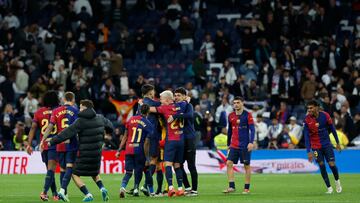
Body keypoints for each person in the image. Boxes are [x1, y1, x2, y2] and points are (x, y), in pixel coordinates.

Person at [47, 100, 113, 202]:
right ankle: (102, 188)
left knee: (73, 173)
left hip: (84, 153)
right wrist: (107, 133)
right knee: (94, 172)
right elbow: (110, 126)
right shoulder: (100, 118)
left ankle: (87, 194)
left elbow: (66, 133)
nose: (79, 109)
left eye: (81, 107)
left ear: (85, 108)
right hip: (97, 153)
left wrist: (52, 141)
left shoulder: (80, 121)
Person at [145, 90, 187, 197]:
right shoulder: (181, 106)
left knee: (167, 164)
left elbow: (150, 109)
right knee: (177, 165)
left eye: (162, 99)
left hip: (171, 140)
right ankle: (181, 189)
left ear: (168, 100)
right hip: (181, 141)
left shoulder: (165, 108)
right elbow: (186, 103)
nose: (160, 101)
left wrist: (143, 104)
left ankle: (171, 188)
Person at [41, 92, 79, 201]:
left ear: (64, 99)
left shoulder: (56, 111)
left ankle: (63, 193)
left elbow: (49, 127)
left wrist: (43, 140)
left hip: (59, 143)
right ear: (73, 99)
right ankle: (63, 191)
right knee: (69, 167)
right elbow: (78, 127)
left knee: (62, 168)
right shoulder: (75, 110)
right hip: (71, 143)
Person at [26, 91, 60, 201]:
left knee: (50, 170)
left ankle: (55, 194)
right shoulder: (60, 111)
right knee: (51, 170)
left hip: (43, 145)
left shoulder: (39, 112)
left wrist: (29, 144)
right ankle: (44, 192)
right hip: (55, 143)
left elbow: (33, 128)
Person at [303, 100, 342, 194]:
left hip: (327, 145)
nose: (309, 110)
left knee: (332, 164)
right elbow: (306, 137)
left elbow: (332, 129)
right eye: (308, 108)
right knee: (321, 165)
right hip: (315, 147)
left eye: (311, 108)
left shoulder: (325, 115)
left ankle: (337, 182)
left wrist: (337, 143)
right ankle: (329, 188)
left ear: (317, 107)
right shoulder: (307, 120)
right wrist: (308, 151)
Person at [116, 104, 154, 198]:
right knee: (140, 170)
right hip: (139, 150)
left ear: (140, 110)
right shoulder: (148, 124)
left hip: (129, 149)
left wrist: (119, 150)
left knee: (128, 172)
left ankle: (122, 187)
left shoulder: (130, 120)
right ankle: (137, 188)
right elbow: (146, 143)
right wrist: (147, 157)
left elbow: (125, 136)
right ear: (148, 112)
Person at [223, 96, 255, 194]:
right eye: (234, 103)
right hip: (234, 145)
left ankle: (246, 188)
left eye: (238, 102)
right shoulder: (230, 116)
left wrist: (251, 142)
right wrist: (228, 143)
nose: (236, 105)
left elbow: (252, 129)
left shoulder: (248, 115)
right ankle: (231, 186)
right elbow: (230, 131)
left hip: (245, 145)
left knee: (246, 165)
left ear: (242, 103)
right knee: (228, 163)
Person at [172, 87, 198, 196]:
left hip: (189, 139)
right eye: (175, 95)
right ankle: (187, 187)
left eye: (179, 95)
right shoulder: (177, 106)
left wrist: (175, 115)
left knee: (191, 165)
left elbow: (189, 115)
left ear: (184, 96)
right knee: (177, 164)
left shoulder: (189, 106)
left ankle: (194, 190)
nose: (176, 97)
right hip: (179, 140)